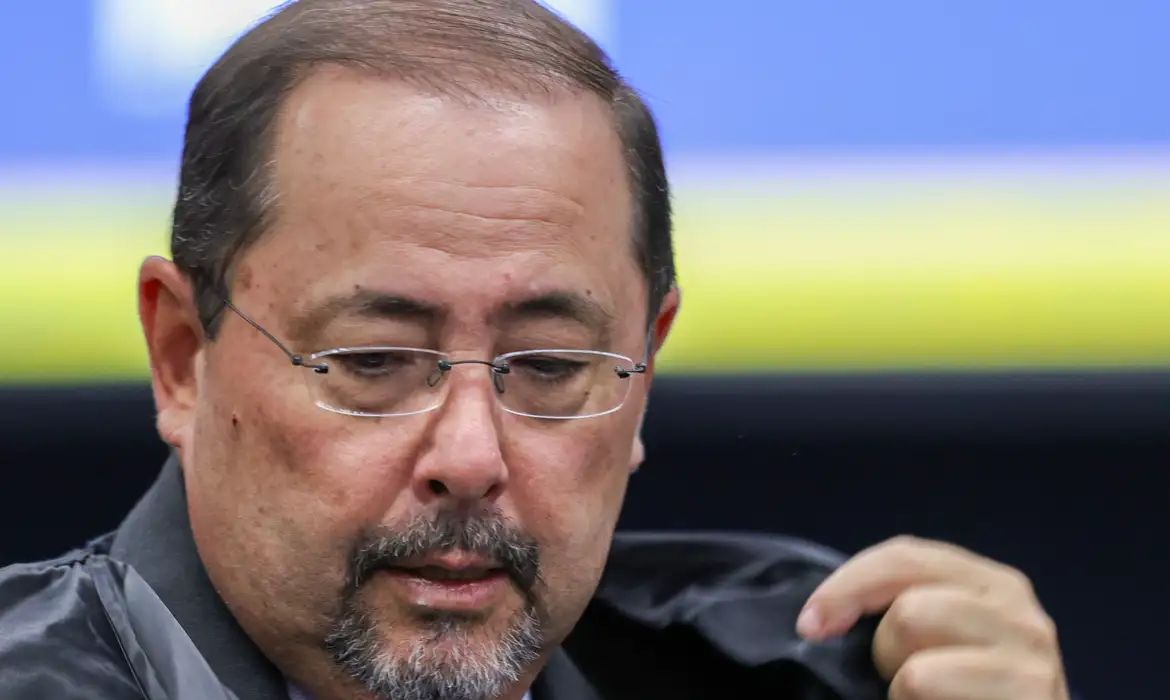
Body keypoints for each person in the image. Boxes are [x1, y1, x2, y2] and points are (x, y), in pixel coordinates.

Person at [0, 2, 1072, 699]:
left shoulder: (811, 670)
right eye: (374, 360)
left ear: (645, 368)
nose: (470, 455)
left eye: (551, 367)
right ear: (182, 357)